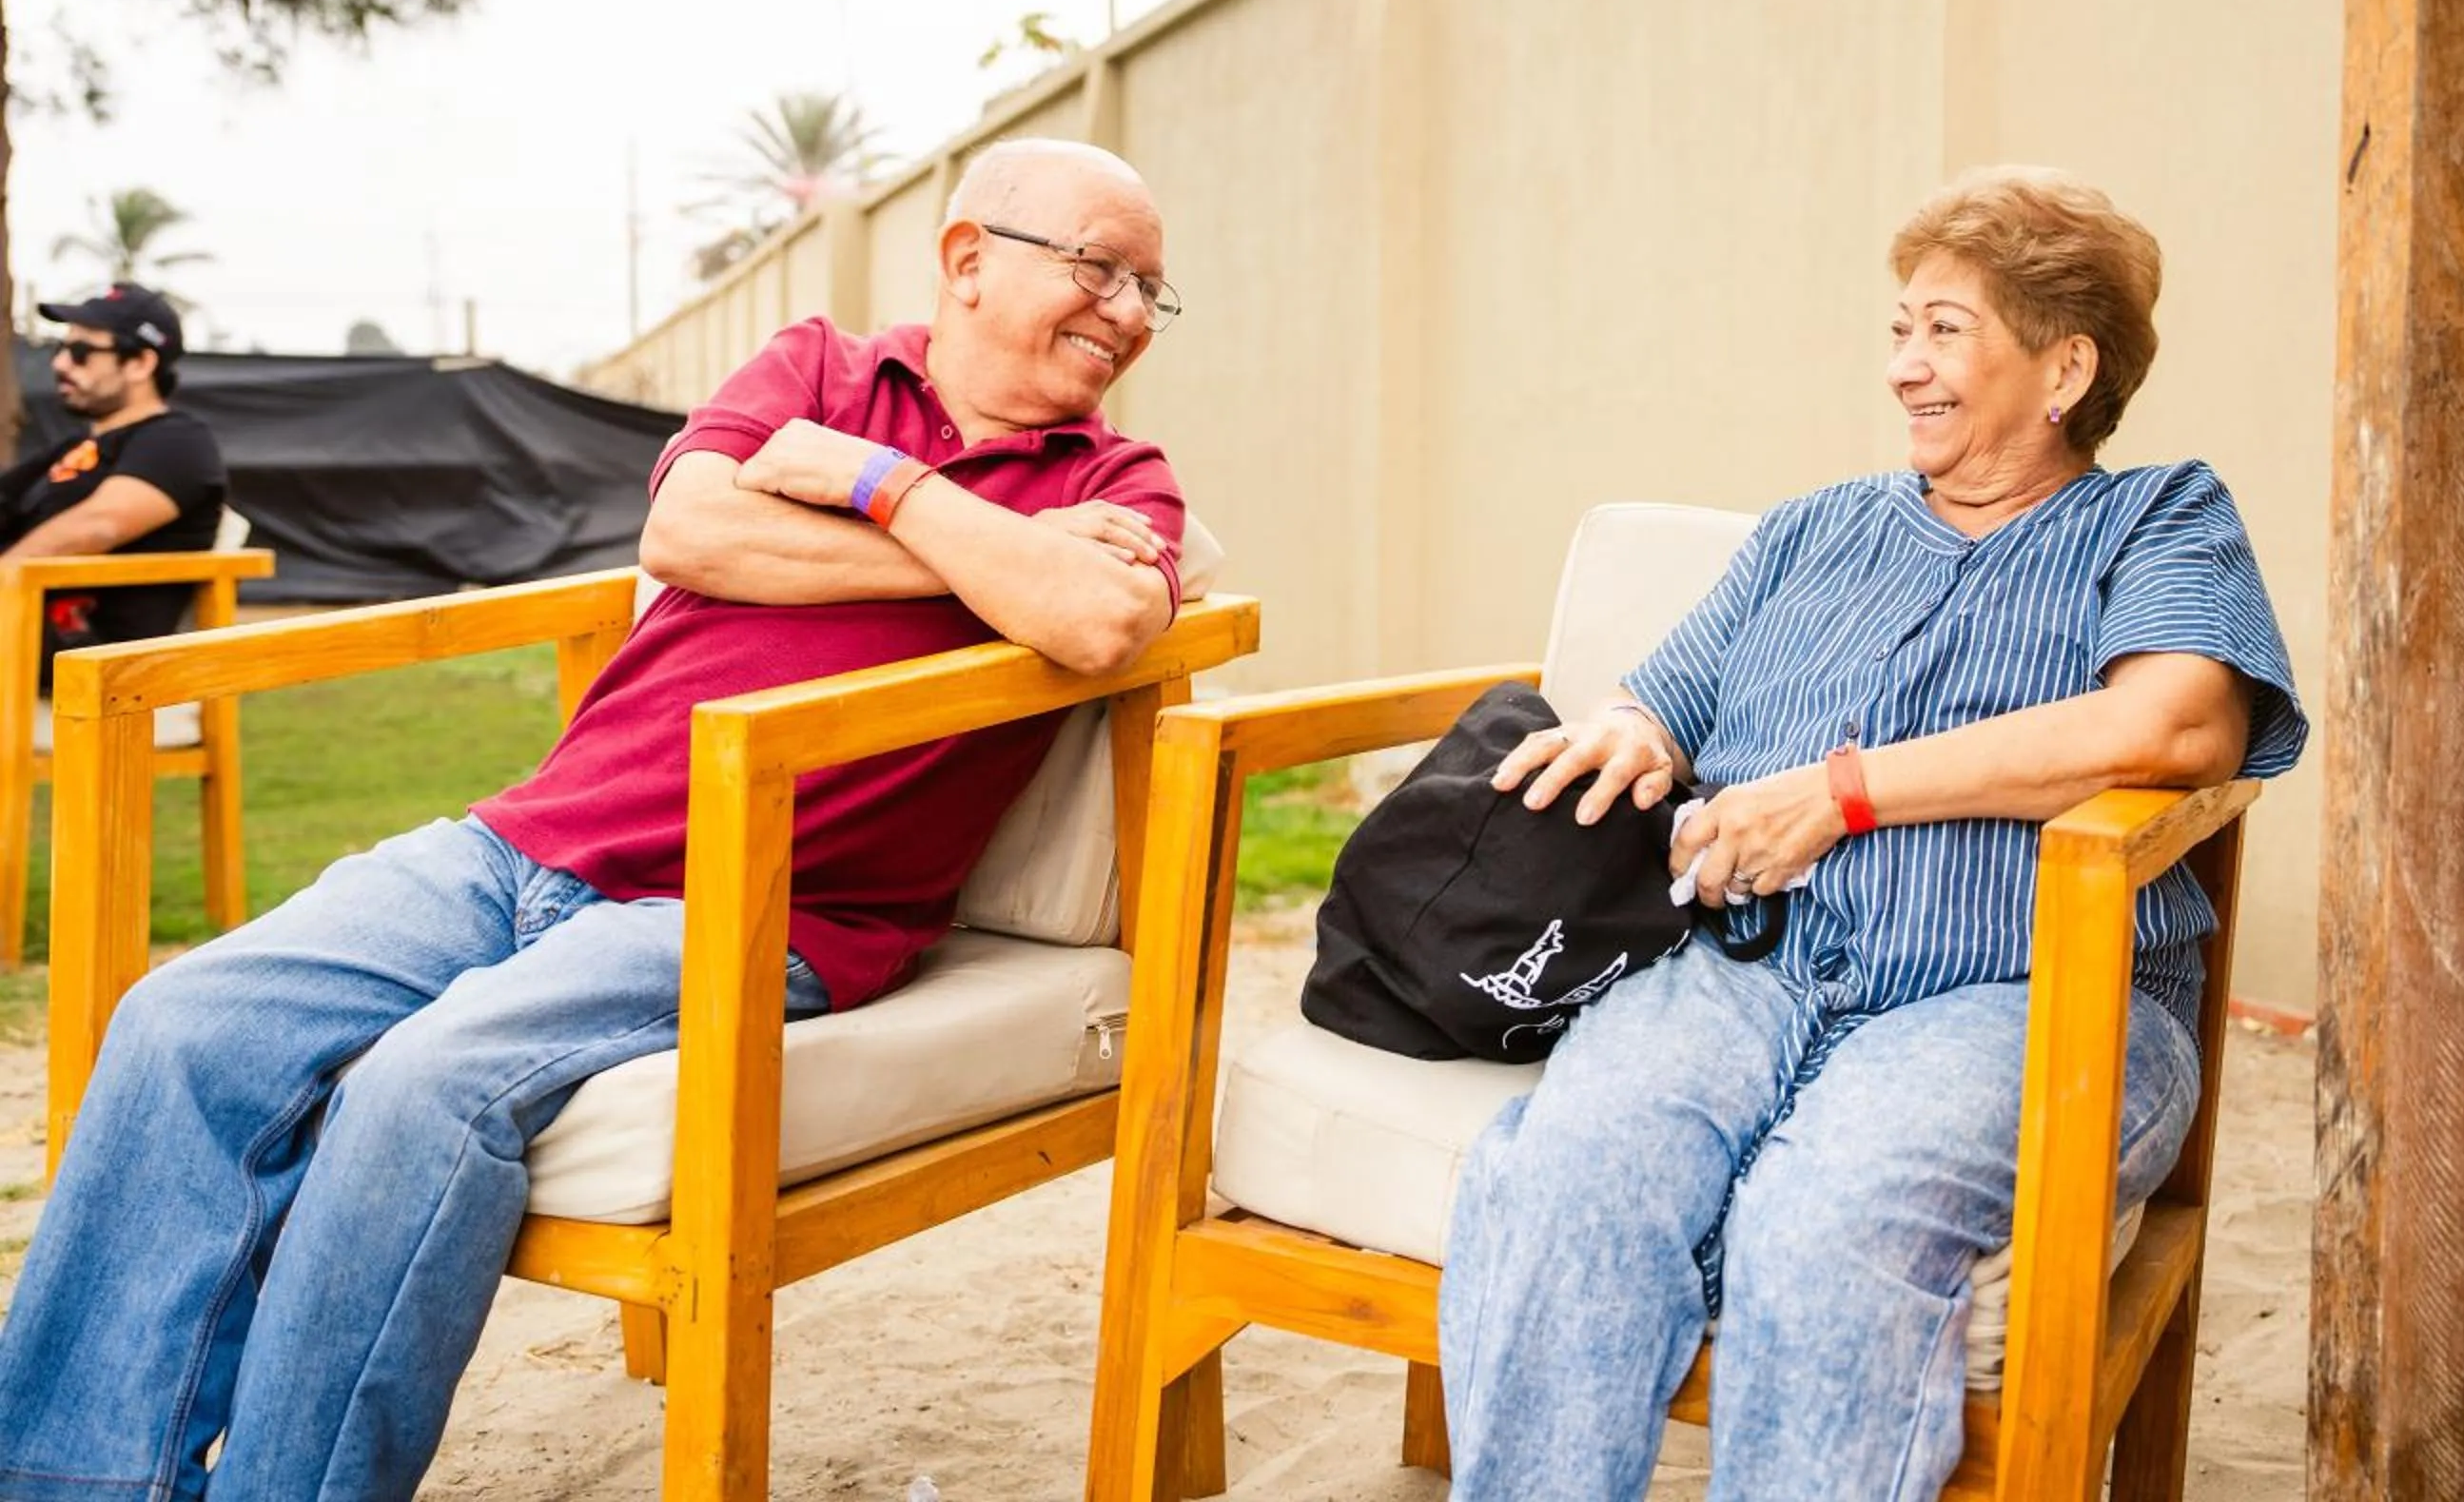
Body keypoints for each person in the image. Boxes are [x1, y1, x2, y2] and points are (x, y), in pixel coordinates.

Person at [0, 139, 1191, 1501]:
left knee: (419, 1090)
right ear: (969, 259)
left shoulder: (1115, 484)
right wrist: (987, 564)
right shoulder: (816, 368)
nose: (1129, 313)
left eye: (1154, 290)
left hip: (764, 901)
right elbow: (690, 534)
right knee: (182, 1024)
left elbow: (1098, 616)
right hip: (522, 842)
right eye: (1101, 269)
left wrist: (882, 486)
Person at [1436, 166, 2310, 1502]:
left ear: (2065, 367)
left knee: (1828, 1222)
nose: (1905, 365)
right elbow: (1664, 695)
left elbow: (2178, 727)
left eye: (1946, 330)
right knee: (1570, 1180)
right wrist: (1633, 732)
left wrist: (1844, 793)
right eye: (1899, 327)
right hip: (1746, 970)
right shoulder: (1812, 532)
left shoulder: (2157, 517)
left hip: (2029, 997)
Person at [0, 282, 227, 679]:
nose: (60, 364)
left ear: (140, 363)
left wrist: (5, 578)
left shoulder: (178, 441)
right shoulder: (72, 447)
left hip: (86, 666)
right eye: (61, 349)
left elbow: (97, 526)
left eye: (81, 352)